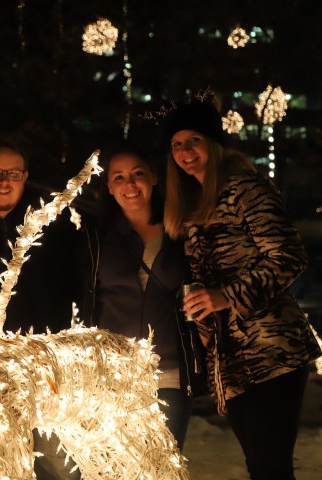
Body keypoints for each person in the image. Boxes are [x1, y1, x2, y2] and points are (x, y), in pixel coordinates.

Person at [164, 100, 322, 480]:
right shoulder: (194, 200)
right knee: (260, 465)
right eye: (176, 145)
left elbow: (288, 256)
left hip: (272, 351)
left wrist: (227, 296)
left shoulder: (244, 187)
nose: (185, 152)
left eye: (194, 140)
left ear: (214, 143)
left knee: (270, 466)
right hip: (231, 359)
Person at [0, 138, 90, 479]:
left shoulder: (54, 223)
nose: (3, 181)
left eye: (13, 173)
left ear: (25, 176)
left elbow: (80, 282)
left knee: (55, 461)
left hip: (45, 364)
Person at [90, 143, 203, 451]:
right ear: (110, 187)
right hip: (111, 371)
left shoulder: (181, 228)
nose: (130, 183)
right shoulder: (94, 235)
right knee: (114, 463)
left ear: (153, 177)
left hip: (169, 370)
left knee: (163, 461)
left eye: (138, 173)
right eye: (119, 177)